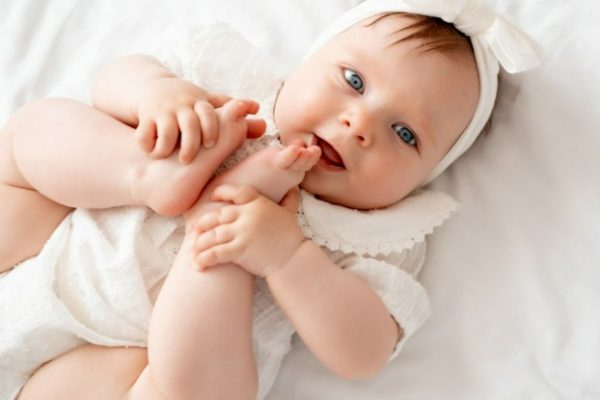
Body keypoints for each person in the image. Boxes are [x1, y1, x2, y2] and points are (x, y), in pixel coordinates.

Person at [0, 0, 540, 399]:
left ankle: (220, 227)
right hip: (42, 248)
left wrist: (286, 256)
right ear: (307, 62)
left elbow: (363, 352)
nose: (359, 124)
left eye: (405, 134)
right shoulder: (227, 91)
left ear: (427, 176)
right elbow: (114, 79)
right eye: (354, 81)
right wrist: (158, 94)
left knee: (199, 393)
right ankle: (147, 173)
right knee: (32, 135)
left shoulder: (381, 235)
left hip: (120, 361)